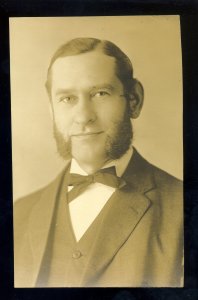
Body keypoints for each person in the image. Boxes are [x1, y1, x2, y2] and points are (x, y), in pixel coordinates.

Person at [14, 37, 183, 287]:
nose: (83, 117)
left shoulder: (184, 209)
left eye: (100, 93)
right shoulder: (18, 214)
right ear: (51, 108)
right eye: (67, 99)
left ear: (133, 100)